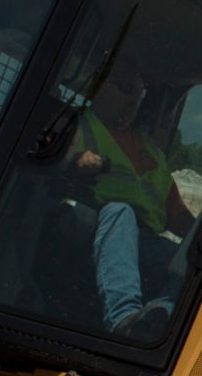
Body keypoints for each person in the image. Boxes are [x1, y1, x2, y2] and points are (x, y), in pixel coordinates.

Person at [72, 57, 190, 338]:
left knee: (190, 259)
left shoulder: (149, 149)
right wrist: (76, 160)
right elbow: (53, 158)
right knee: (120, 211)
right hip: (92, 225)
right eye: (125, 89)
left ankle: (158, 315)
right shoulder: (78, 125)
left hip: (142, 240)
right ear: (98, 87)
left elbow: (177, 215)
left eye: (139, 95)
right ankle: (123, 318)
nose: (133, 101)